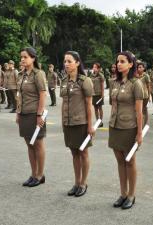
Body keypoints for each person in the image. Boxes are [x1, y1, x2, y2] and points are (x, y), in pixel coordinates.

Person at [108, 51, 144, 210]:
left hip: (129, 127)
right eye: (117, 61)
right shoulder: (113, 82)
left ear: (131, 64)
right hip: (114, 125)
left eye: (123, 61)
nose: (119, 64)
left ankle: (131, 195)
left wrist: (139, 133)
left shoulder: (136, 83)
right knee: (119, 161)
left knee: (130, 161)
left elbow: (139, 111)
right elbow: (112, 104)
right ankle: (122, 193)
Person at [60, 51, 94, 197]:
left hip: (81, 122)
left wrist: (90, 125)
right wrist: (63, 121)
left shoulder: (84, 81)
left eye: (69, 61)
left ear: (77, 63)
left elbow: (89, 104)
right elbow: (63, 103)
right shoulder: (64, 80)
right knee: (74, 153)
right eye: (65, 61)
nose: (66, 64)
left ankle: (83, 183)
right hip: (68, 122)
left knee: (83, 152)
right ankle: (76, 182)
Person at [16, 47, 48, 187]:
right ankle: (33, 174)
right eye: (21, 57)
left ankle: (40, 175)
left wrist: (39, 114)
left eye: (25, 57)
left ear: (33, 58)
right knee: (29, 144)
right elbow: (20, 95)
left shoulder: (38, 74)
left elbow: (42, 94)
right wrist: (18, 112)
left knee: (38, 144)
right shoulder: (22, 75)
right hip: (24, 113)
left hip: (35, 114)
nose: (22, 59)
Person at [90, 63, 105, 127]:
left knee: (100, 108)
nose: (94, 68)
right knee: (95, 108)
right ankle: (97, 121)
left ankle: (100, 121)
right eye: (93, 67)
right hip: (93, 94)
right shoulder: (91, 75)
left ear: (98, 68)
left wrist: (102, 94)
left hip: (99, 94)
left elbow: (102, 86)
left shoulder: (101, 75)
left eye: (96, 67)